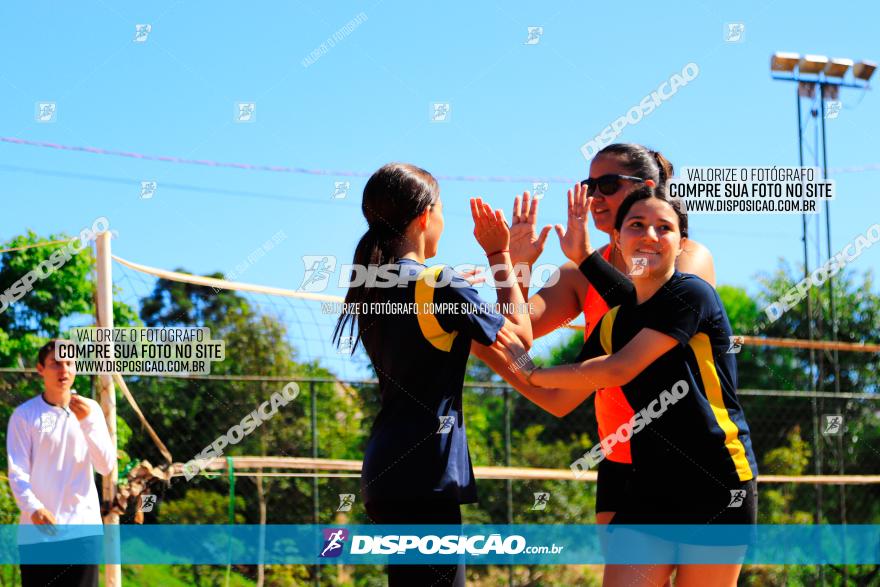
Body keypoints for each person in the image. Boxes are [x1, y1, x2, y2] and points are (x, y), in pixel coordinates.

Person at [491, 184, 758, 586]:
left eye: (664, 228)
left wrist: (532, 371)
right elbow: (557, 396)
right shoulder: (616, 320)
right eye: (636, 224)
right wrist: (508, 262)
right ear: (617, 238)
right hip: (646, 484)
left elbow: (618, 369)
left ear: (681, 242)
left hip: (716, 482)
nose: (650, 235)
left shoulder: (692, 293)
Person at [474, 143, 716, 530]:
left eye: (608, 184)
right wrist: (514, 265)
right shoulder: (578, 271)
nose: (595, 196)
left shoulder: (689, 258)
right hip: (620, 457)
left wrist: (587, 258)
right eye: (590, 186)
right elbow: (515, 332)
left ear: (647, 187)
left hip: (690, 455)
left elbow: (646, 310)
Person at [332, 162, 532, 586]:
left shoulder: (370, 285)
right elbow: (522, 339)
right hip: (426, 472)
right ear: (425, 216)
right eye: (441, 209)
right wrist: (501, 256)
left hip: (384, 473)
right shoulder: (440, 283)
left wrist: (465, 297)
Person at [7, 340, 115, 587]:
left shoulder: (92, 410)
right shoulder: (24, 415)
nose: (64, 370)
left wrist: (86, 422)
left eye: (69, 363)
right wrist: (33, 508)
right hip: (38, 535)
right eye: (55, 363)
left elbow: (105, 466)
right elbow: (18, 471)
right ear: (40, 369)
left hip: (82, 533)